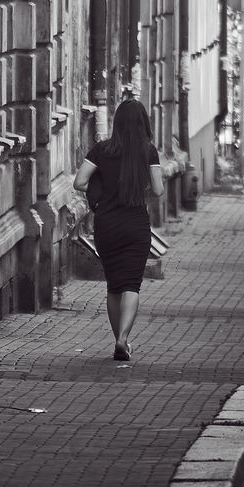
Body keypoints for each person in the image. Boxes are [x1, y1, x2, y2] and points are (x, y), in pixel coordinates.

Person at [73, 97, 164, 361]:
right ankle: (123, 338)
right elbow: (158, 190)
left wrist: (102, 190)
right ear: (143, 123)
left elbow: (79, 182)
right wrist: (142, 186)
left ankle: (118, 340)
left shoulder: (102, 150)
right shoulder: (148, 151)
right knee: (131, 285)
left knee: (114, 286)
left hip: (107, 225)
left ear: (118, 123)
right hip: (135, 225)